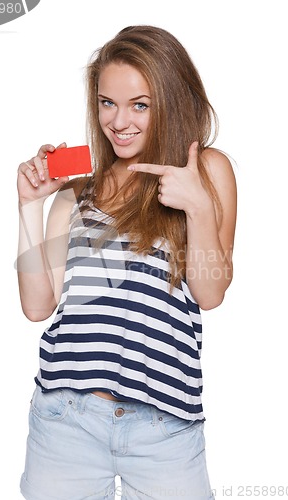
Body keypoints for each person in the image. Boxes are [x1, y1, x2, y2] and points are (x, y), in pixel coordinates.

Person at [16, 25, 237, 500]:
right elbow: (38, 308)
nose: (119, 121)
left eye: (140, 104)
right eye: (106, 103)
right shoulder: (80, 191)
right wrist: (29, 205)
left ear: (171, 101)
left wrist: (196, 205)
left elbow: (212, 292)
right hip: (66, 418)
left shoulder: (207, 171)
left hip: (165, 428)